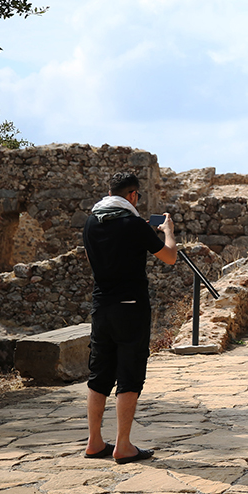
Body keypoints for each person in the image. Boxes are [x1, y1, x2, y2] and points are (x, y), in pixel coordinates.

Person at [82, 172, 177, 464]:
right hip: (132, 307)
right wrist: (168, 231)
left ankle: (94, 442)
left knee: (98, 375)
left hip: (102, 307)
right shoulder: (134, 225)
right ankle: (123, 446)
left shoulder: (91, 222)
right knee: (129, 375)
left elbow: (92, 261)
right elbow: (170, 257)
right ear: (133, 195)